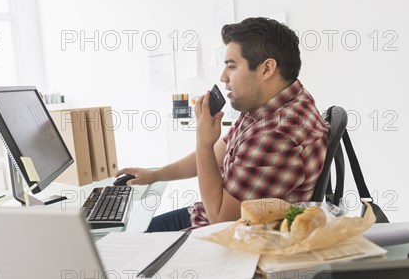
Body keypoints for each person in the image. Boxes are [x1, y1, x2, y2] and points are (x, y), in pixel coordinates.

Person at [117, 17, 330, 232]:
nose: (223, 77)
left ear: (266, 69)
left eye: (231, 66)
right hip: (201, 216)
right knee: (131, 233)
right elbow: (220, 152)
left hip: (221, 235)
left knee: (121, 245)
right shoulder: (275, 103)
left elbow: (220, 219)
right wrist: (156, 175)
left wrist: (203, 142)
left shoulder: (275, 134)